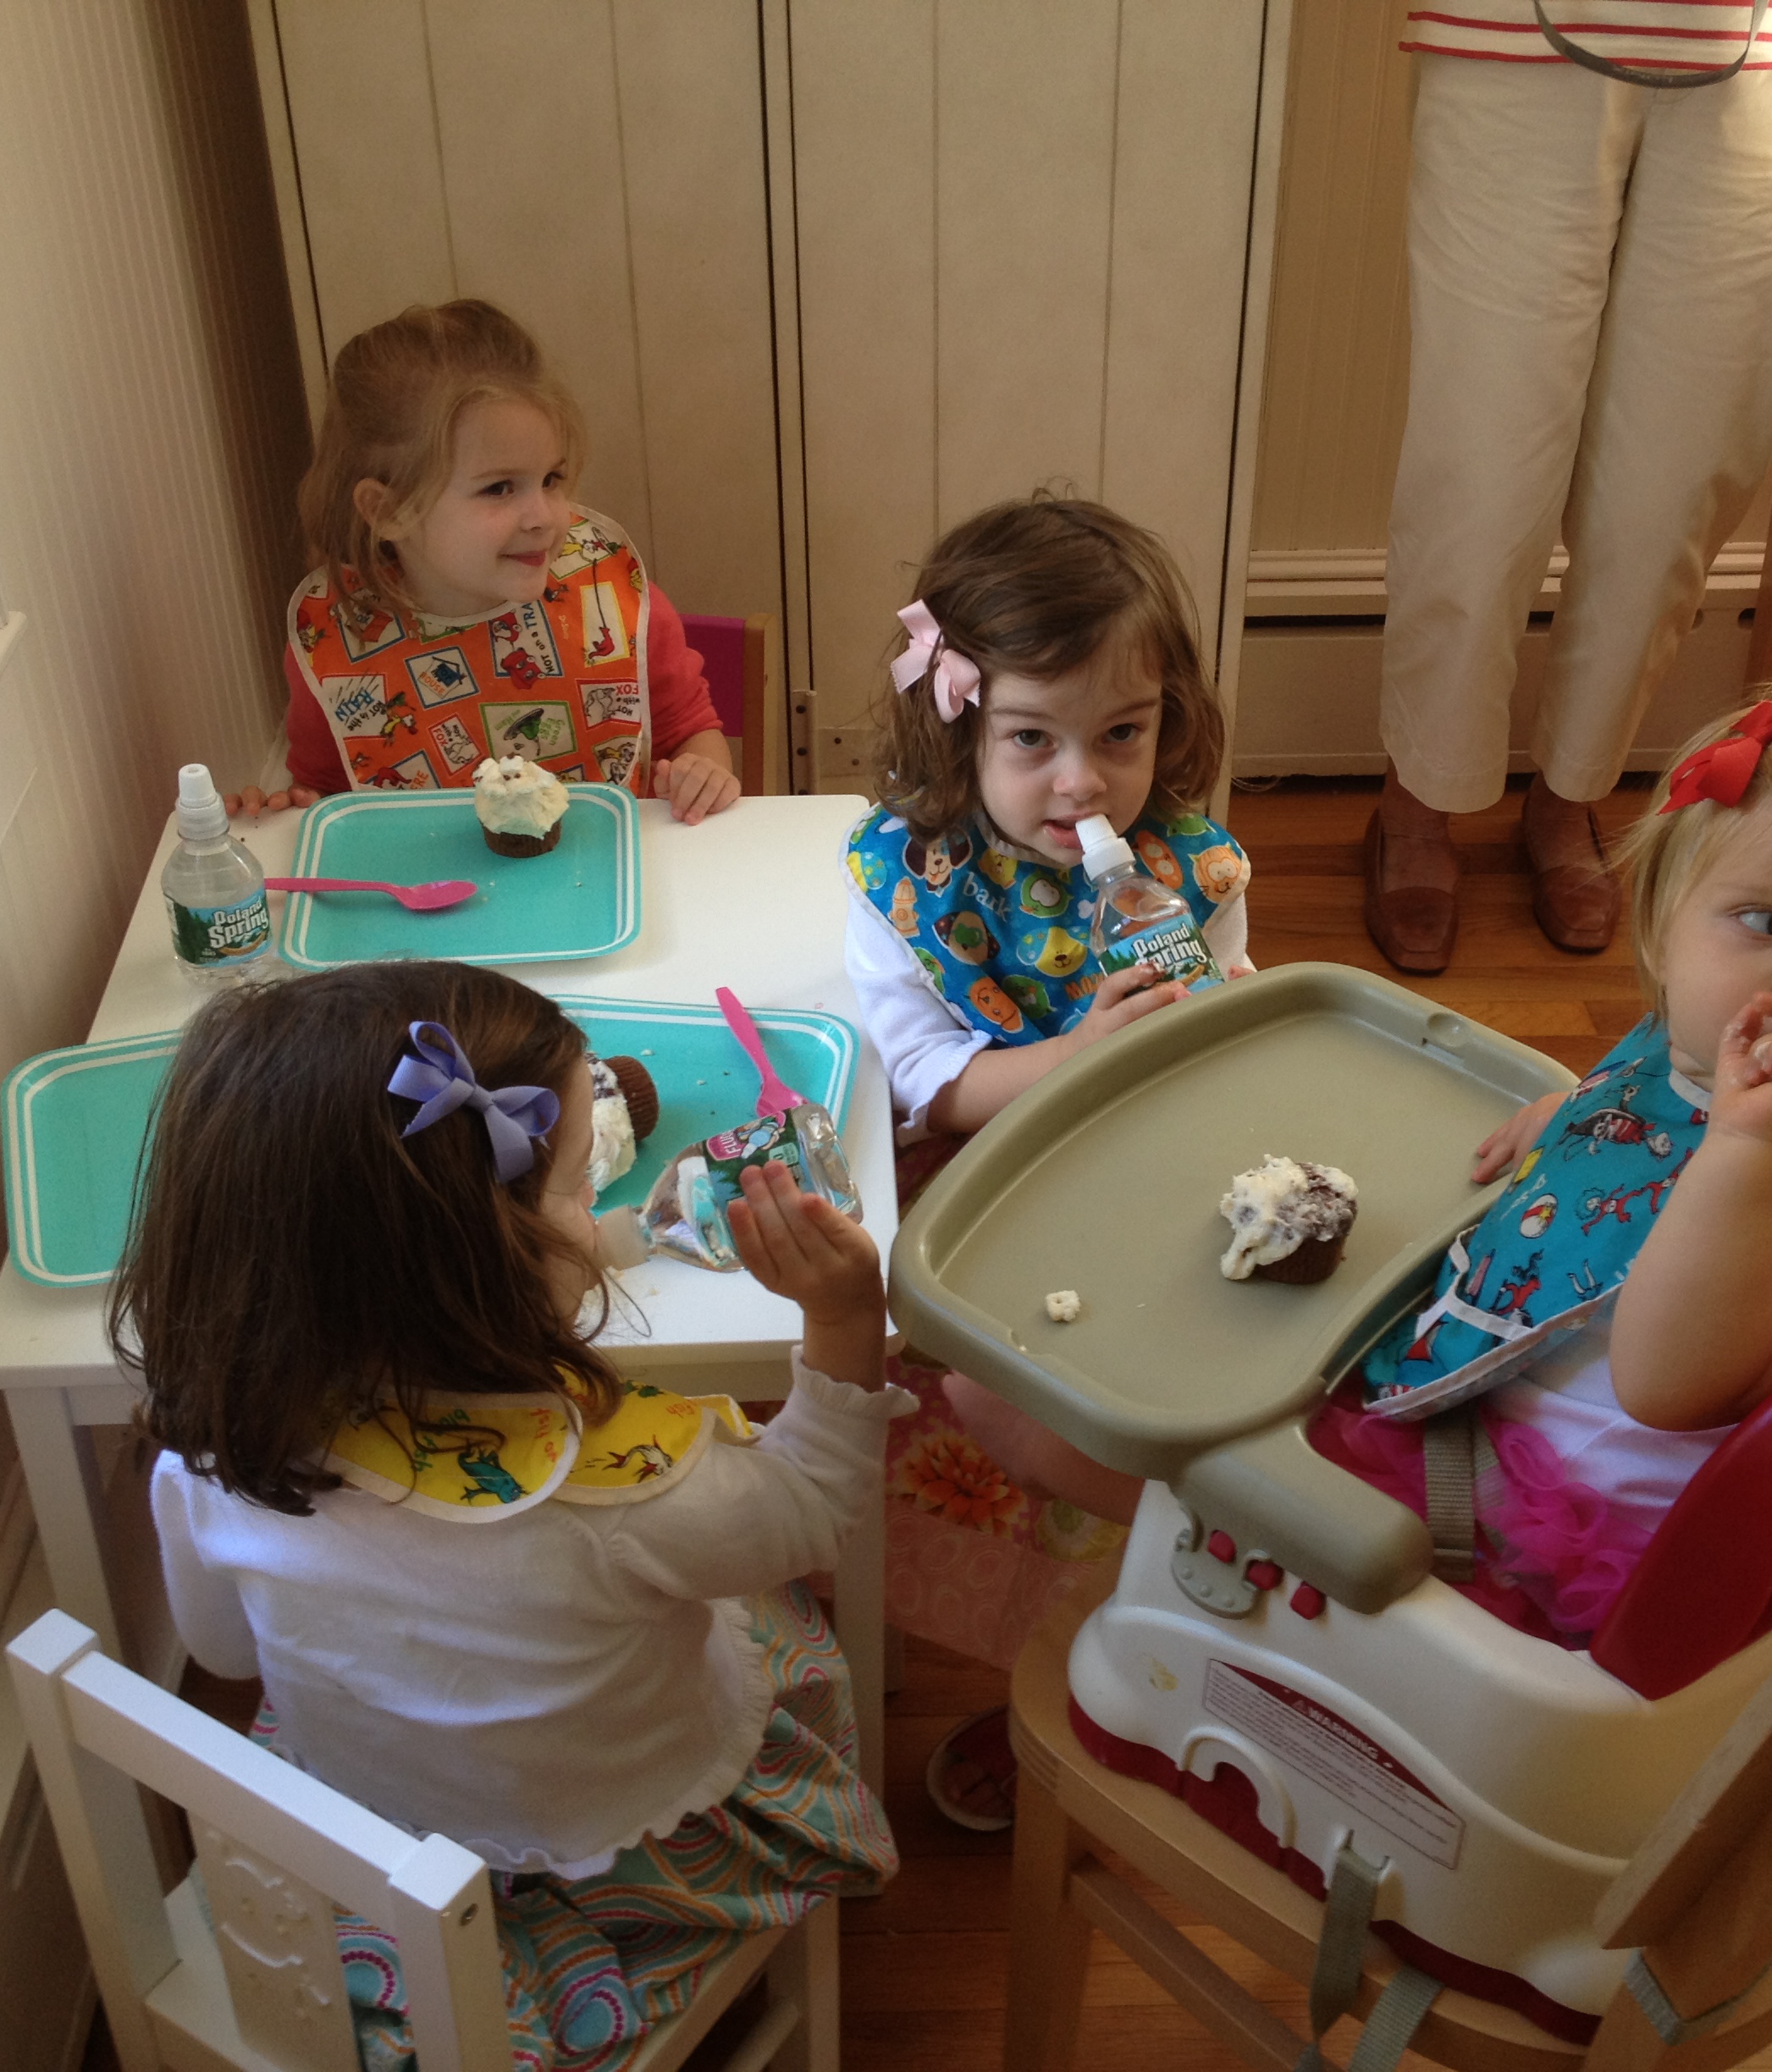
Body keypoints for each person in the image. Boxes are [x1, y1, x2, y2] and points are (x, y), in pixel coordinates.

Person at [117, 962, 901, 2067]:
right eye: (580, 1189)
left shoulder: (214, 1460)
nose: (606, 1217)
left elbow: (223, 1652)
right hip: (631, 1841)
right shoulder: (623, 1489)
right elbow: (814, 1506)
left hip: (366, 1834)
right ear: (474, 1262)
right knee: (777, 1623)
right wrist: (843, 1318)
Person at [1345, 675, 1772, 1644]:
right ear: (1664, 929)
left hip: (1540, 1525)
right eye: (1768, 922)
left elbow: (1674, 1384)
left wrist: (1748, 1147)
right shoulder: (1694, 1053)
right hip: (1489, 1399)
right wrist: (1578, 1118)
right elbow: (1650, 1132)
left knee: (1232, 1450)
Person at [842, 493, 1252, 1829]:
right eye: (1032, 740)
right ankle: (1008, 1640)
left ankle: (1125, 1646)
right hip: (971, 1180)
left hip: (1150, 1172)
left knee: (1171, 1394)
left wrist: (1219, 1008)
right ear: (956, 726)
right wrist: (1077, 1055)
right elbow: (928, 1077)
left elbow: (1229, 1007)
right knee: (966, 1405)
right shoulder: (906, 879)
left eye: (1121, 736)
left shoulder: (1192, 869)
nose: (1082, 784)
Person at [1366, 3, 1772, 973]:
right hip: (1517, 34)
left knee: (1669, 497)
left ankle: (1570, 796)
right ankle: (1417, 800)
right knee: (1481, 479)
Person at [259, 300, 742, 824]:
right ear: (389, 511)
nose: (544, 517)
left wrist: (701, 774)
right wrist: (277, 814)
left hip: (613, 863)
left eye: (551, 479)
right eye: (499, 488)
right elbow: (326, 792)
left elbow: (688, 729)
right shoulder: (338, 638)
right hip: (435, 877)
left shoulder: (606, 594)